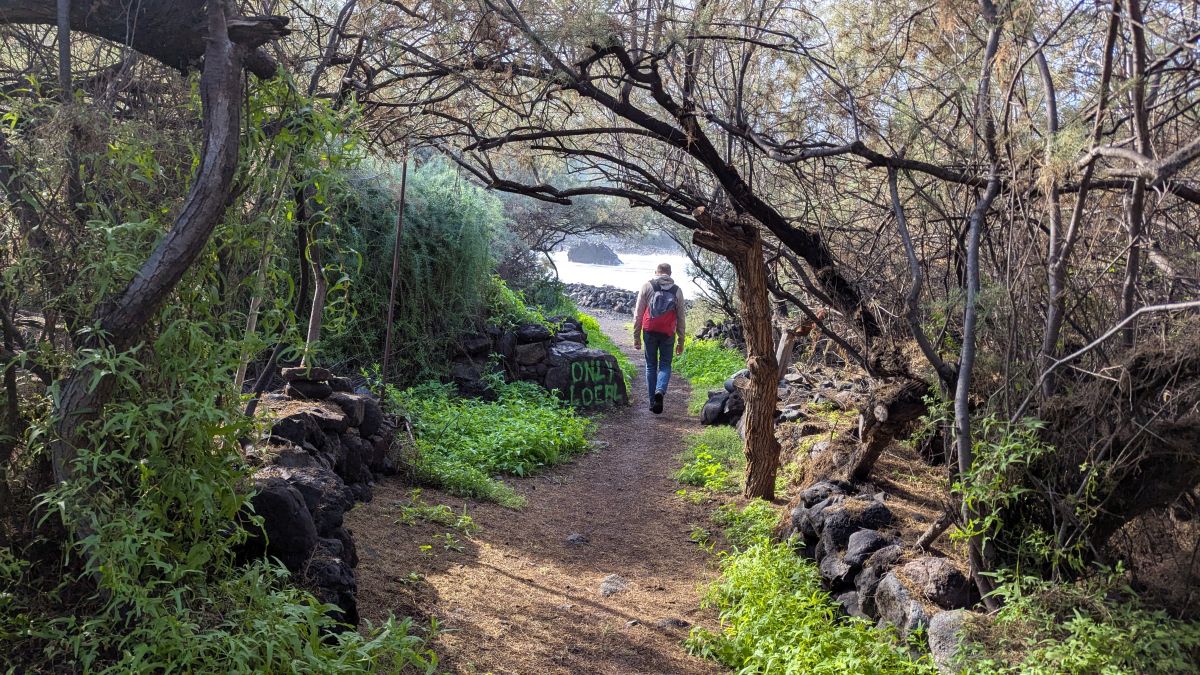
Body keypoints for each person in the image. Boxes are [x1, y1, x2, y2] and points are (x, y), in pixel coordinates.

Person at [633, 263, 686, 414]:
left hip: (649, 330)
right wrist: (681, 340)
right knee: (665, 364)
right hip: (668, 332)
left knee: (650, 365)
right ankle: (660, 391)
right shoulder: (677, 290)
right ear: (670, 274)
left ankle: (652, 401)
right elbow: (681, 317)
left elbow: (638, 313)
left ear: (656, 272)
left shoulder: (647, 286)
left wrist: (636, 336)